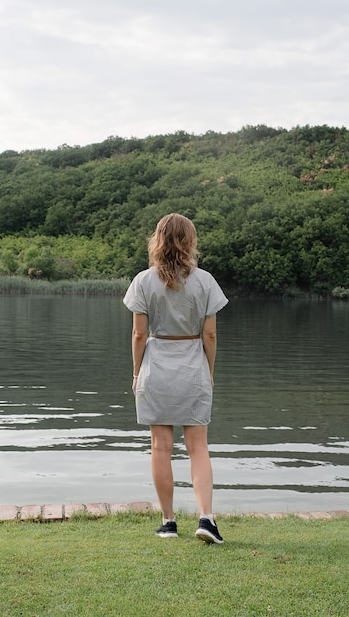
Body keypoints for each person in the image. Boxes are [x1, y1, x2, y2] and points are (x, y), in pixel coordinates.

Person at [123, 213, 228, 543]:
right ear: (190, 240)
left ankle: (168, 522)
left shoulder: (143, 280)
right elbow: (209, 334)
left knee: (160, 448)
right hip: (192, 366)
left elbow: (139, 334)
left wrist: (137, 372)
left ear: (158, 240)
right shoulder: (205, 281)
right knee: (198, 447)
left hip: (156, 368)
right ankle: (206, 519)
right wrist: (208, 371)